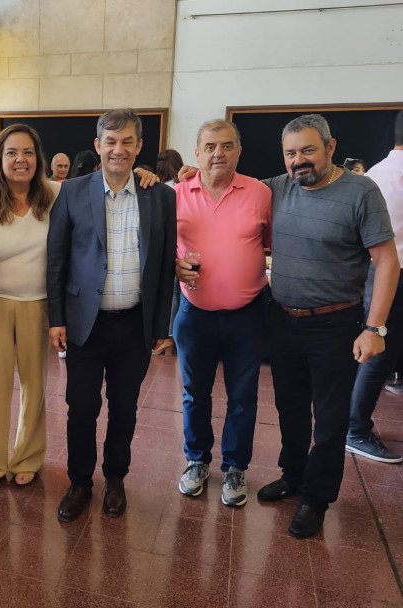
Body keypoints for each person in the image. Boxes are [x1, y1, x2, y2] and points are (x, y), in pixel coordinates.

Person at [257, 114, 398, 538]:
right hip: (282, 319)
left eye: (308, 150)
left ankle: (317, 499)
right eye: (290, 153)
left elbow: (387, 261)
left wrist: (375, 329)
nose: (299, 160)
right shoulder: (276, 188)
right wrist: (187, 172)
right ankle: (293, 476)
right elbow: (227, 192)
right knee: (291, 409)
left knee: (332, 419)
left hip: (337, 324)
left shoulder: (361, 191)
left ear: (331, 147)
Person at [47, 108, 176, 522]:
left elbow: (165, 265)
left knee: (125, 408)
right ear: (99, 144)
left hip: (133, 325)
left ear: (139, 146)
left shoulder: (161, 196)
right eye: (111, 140)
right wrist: (56, 318)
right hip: (86, 324)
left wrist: (161, 326)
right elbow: (57, 260)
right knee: (81, 407)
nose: (118, 149)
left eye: (127, 141)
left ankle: (115, 477)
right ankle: (80, 481)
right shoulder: (72, 191)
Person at [173, 120, 271, 507]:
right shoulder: (176, 195)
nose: (219, 153)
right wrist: (172, 266)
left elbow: (273, 242)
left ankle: (235, 467)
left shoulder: (260, 193)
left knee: (243, 396)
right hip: (194, 312)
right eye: (210, 146)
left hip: (247, 315)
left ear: (239, 151)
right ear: (196, 153)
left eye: (227, 146)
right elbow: (159, 245)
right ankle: (197, 460)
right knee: (194, 394)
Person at [0, 124, 61, 489]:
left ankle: (27, 455)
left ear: (37, 158)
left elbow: (99, 187)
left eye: (27, 152)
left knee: (34, 384)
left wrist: (142, 171)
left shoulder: (55, 193)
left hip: (37, 304)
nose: (20, 160)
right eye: (11, 152)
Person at [347, 110, 403, 464]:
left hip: (379, 272)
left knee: (382, 346)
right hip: (390, 274)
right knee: (376, 349)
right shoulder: (387, 177)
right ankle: (355, 428)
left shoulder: (375, 175)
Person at [152, 148, 185, 355]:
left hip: (159, 247)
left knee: (166, 292)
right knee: (177, 293)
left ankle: (165, 335)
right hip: (180, 245)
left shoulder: (154, 187)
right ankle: (171, 336)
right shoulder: (182, 186)